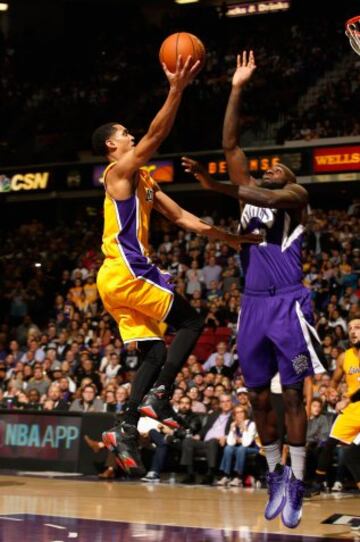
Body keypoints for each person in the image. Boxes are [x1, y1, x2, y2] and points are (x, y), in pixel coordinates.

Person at [92, 55, 260, 477]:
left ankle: (125, 425)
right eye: (124, 134)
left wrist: (231, 238)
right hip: (127, 270)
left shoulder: (144, 180)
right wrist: (176, 89)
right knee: (191, 321)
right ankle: (160, 396)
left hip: (115, 280)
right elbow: (156, 133)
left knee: (153, 352)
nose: (132, 137)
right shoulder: (118, 172)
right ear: (113, 145)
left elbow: (186, 219)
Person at [182, 51, 327, 528]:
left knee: (292, 397)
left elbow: (259, 193)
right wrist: (236, 86)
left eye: (281, 169)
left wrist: (219, 187)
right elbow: (230, 144)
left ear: (292, 181)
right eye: (269, 167)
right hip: (253, 308)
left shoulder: (295, 199)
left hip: (290, 305)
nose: (273, 169)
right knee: (258, 398)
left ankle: (301, 479)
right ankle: (275, 475)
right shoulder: (252, 200)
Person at [306, 317, 360, 495]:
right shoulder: (344, 357)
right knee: (329, 444)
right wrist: (331, 391)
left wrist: (348, 399)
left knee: (352, 455)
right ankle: (317, 484)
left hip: (352, 402)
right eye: (350, 328)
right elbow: (335, 380)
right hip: (352, 409)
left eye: (358, 327)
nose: (353, 331)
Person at [217, 406, 258, 487]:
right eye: (237, 413)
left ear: (245, 414)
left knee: (241, 449)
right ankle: (226, 476)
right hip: (240, 447)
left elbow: (247, 443)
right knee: (228, 448)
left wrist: (245, 429)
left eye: (241, 412)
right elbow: (230, 443)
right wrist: (232, 430)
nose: (239, 415)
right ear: (234, 415)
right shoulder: (233, 424)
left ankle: (238, 477)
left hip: (253, 448)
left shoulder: (251, 424)